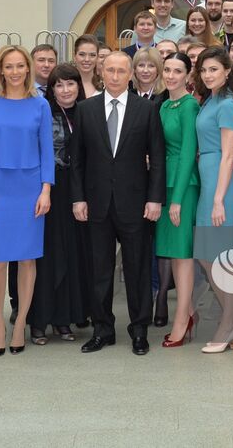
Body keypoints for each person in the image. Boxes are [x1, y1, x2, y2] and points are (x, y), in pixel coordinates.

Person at [71, 51, 167, 355]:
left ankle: (139, 330)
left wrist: (155, 199)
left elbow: (158, 159)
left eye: (120, 70)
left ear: (131, 75)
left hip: (136, 203)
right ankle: (103, 329)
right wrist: (78, 198)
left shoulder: (147, 109)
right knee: (100, 269)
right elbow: (77, 161)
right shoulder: (85, 109)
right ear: (102, 72)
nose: (114, 75)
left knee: (137, 268)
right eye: (109, 70)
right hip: (96, 203)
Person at [0, 46, 56, 356]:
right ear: (1, 70)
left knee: (27, 258)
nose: (16, 71)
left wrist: (46, 190)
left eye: (21, 65)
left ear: (28, 69)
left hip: (30, 188)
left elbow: (48, 150)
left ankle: (20, 322)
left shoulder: (40, 105)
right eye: (10, 66)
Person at [192, 47, 233, 353]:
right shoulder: (210, 99)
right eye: (203, 70)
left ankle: (227, 325)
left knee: (223, 259)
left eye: (214, 69)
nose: (208, 75)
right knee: (205, 254)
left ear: (227, 71)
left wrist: (218, 199)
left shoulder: (227, 103)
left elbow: (228, 155)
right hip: (208, 179)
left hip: (221, 184)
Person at [31, 64, 89, 344]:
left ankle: (64, 319)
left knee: (71, 256)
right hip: (47, 189)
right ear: (51, 90)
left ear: (79, 86)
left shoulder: (88, 112)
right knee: (47, 256)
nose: (65, 91)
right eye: (59, 85)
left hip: (79, 192)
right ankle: (39, 320)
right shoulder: (41, 112)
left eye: (71, 84)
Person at [154, 53, 201, 347]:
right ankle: (190, 311)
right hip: (164, 184)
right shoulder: (163, 105)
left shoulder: (189, 106)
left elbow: (187, 153)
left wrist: (178, 200)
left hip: (182, 186)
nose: (171, 75)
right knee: (173, 254)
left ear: (187, 74)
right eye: (167, 70)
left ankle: (182, 319)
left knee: (183, 255)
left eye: (177, 71)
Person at [73, 34, 102, 98]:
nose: (87, 59)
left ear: (97, 57)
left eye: (92, 55)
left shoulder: (105, 85)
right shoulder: (66, 85)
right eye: (82, 54)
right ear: (74, 56)